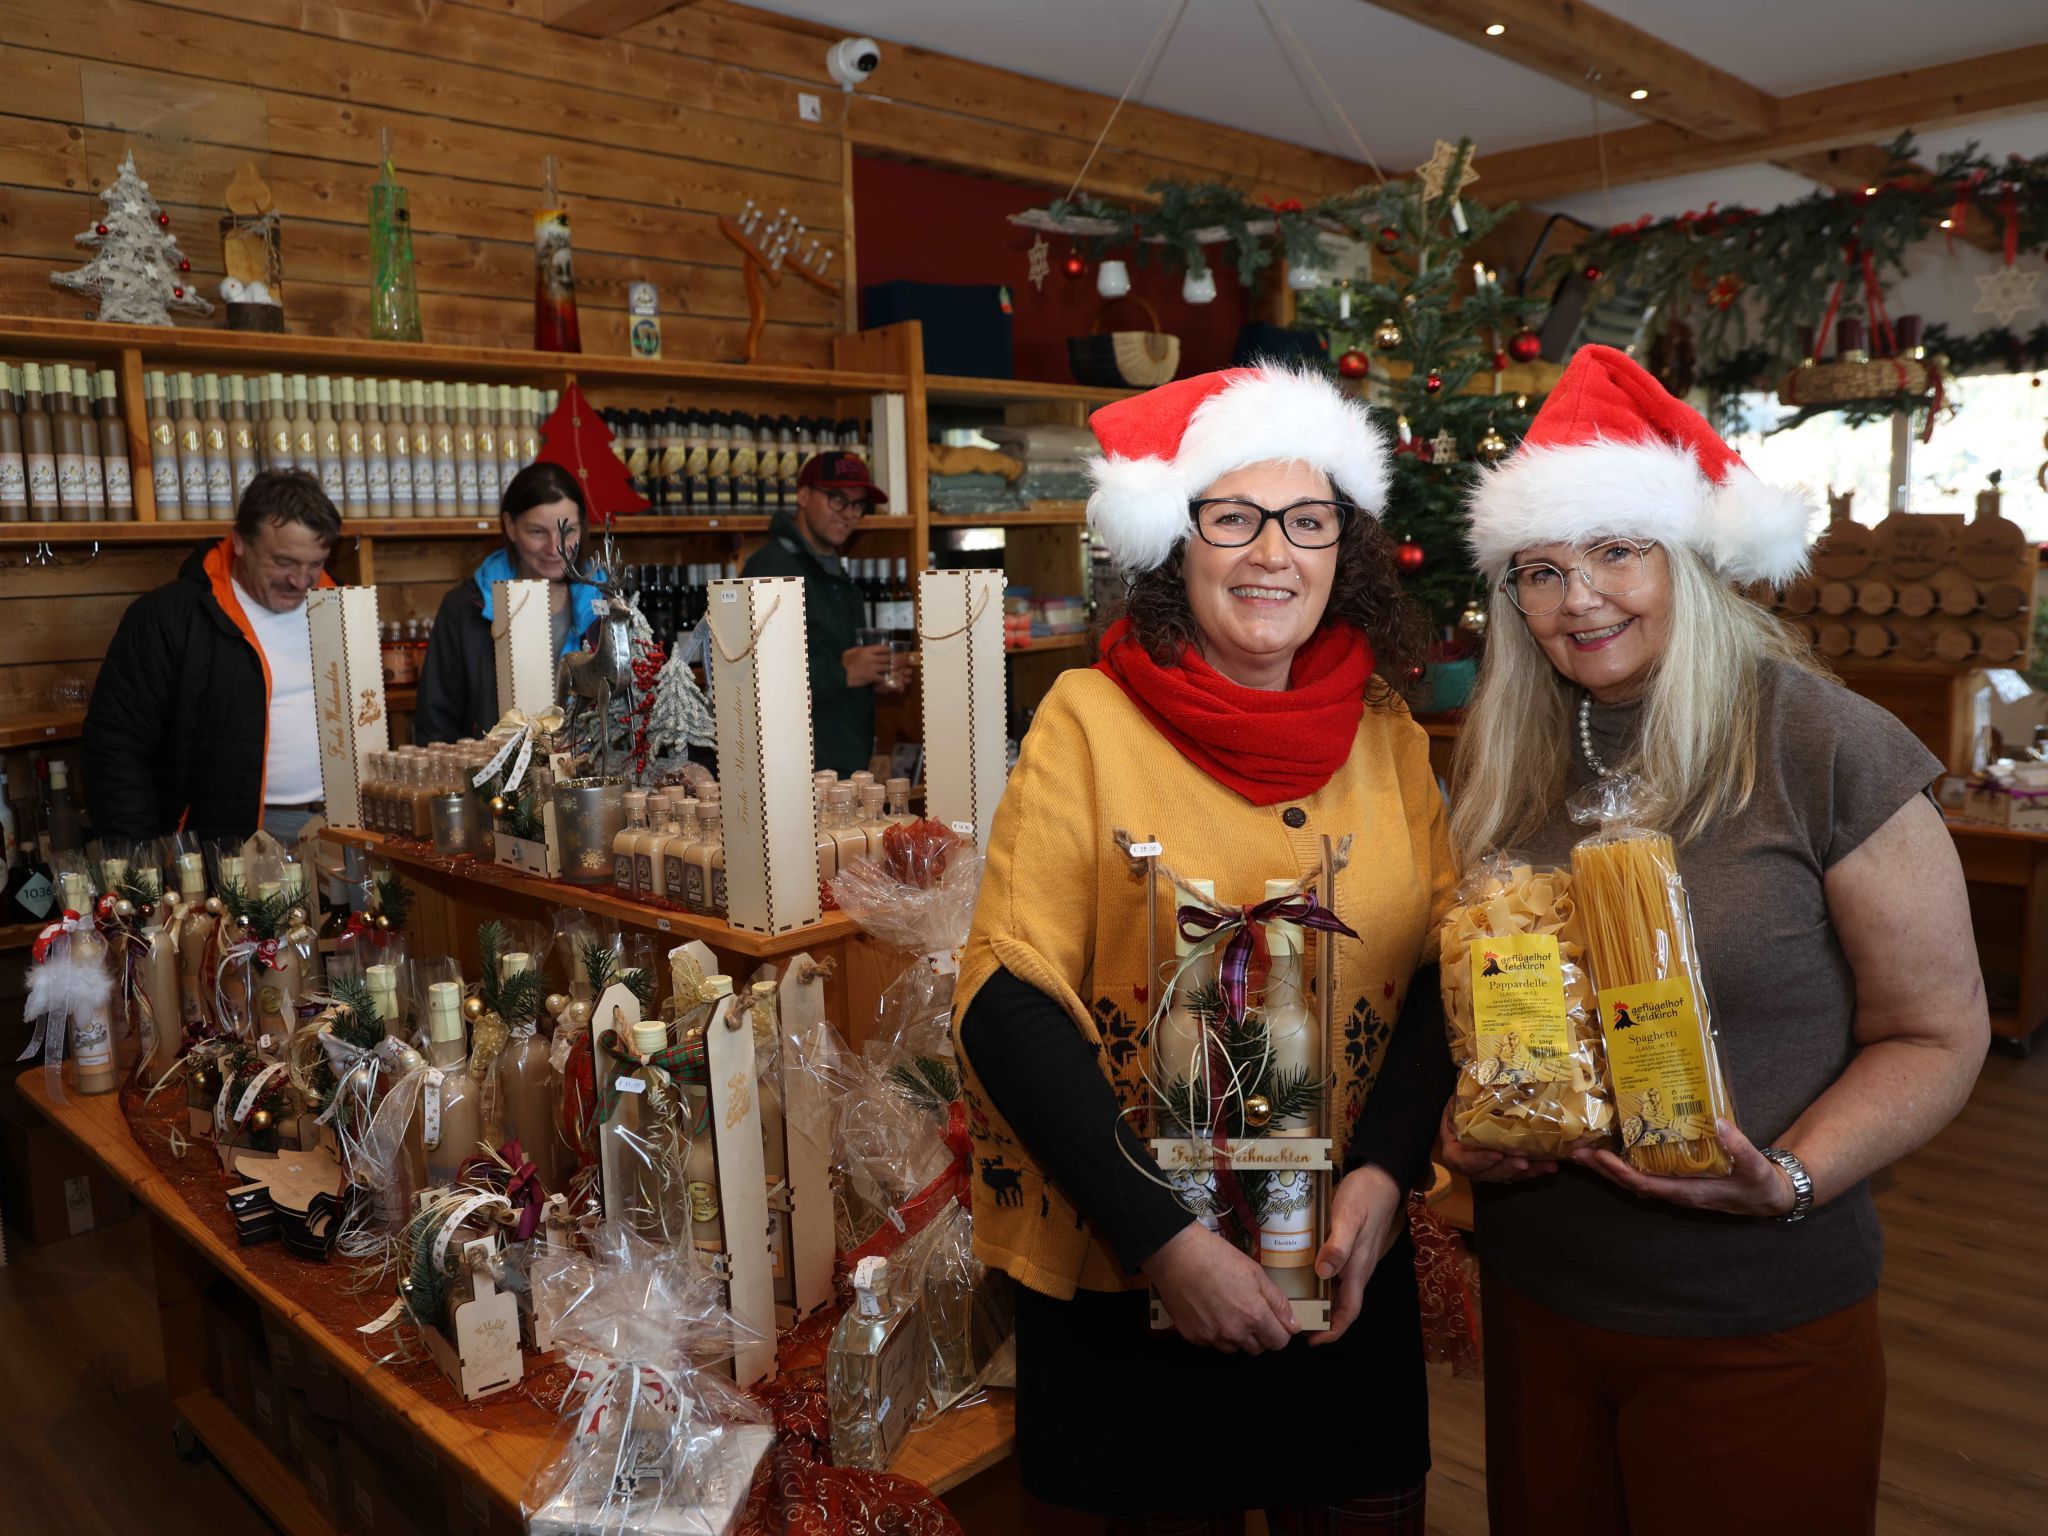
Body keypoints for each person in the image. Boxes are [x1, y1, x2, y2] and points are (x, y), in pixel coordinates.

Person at [1446, 345, 1988, 1535]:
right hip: (1541, 1300)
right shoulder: (1505, 758)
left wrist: (1790, 1179)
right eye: (1537, 569)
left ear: (1687, 559)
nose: (1575, 596)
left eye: (1613, 550)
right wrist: (1467, 1123)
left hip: (1756, 1317)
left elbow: (1936, 1031)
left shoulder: (1820, 742)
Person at [954, 365, 1458, 1532]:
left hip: (1342, 1264)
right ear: (1172, 548)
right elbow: (1004, 996)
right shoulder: (1086, 719)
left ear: (1346, 548)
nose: (1269, 553)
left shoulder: (1385, 732)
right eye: (1229, 519)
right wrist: (1163, 1241)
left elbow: (1440, 967)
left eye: (1305, 520)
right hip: (1127, 1278)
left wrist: (1384, 1172)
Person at [84, 469, 340, 843]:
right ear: (239, 542)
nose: (300, 581)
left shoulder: (339, 606)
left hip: (340, 824)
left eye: (314, 564)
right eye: (284, 562)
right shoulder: (168, 617)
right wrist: (138, 864)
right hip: (233, 839)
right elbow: (116, 750)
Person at [739, 450, 911, 776]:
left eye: (858, 504)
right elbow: (754, 675)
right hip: (796, 774)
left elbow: (832, 656)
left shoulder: (831, 570)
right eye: (837, 499)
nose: (848, 513)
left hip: (838, 767)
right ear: (803, 495)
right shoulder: (770, 569)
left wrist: (870, 676)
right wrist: (844, 673)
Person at [413, 462, 607, 744]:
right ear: (510, 526)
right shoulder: (466, 606)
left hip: (592, 777)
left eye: (569, 530)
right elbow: (435, 723)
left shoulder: (610, 602)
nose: (555, 548)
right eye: (538, 532)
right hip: (493, 782)